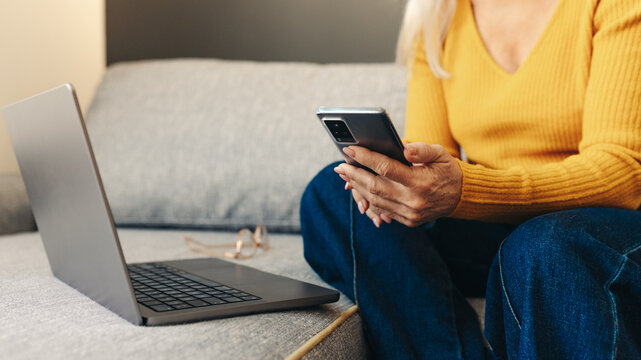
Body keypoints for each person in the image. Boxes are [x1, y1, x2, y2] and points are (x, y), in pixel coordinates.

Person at [300, 0, 641, 358]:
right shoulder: (438, 15)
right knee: (334, 193)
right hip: (495, 223)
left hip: (599, 223)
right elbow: (427, 155)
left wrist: (467, 190)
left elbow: (622, 173)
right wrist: (405, 187)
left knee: (545, 245)